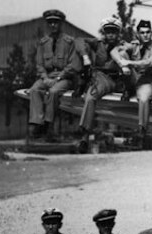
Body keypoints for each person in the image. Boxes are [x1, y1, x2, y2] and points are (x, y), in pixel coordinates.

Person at [28, 10, 82, 139]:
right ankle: (37, 123)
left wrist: (57, 78)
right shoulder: (43, 42)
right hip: (47, 76)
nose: (53, 25)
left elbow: (72, 65)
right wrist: (45, 78)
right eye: (50, 22)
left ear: (61, 23)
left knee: (53, 92)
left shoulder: (70, 42)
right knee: (35, 89)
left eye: (56, 22)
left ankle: (48, 122)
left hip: (64, 78)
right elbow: (39, 64)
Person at [111, 19, 152, 139]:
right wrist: (122, 64)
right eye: (142, 33)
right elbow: (114, 51)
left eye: (147, 32)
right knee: (123, 53)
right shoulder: (134, 45)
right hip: (134, 78)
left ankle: (142, 128)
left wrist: (129, 62)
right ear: (138, 33)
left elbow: (149, 62)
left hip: (147, 80)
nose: (145, 35)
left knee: (144, 98)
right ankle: (128, 89)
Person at [78, 18, 126, 135]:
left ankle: (84, 131)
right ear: (104, 33)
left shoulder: (123, 46)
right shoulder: (98, 44)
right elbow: (79, 40)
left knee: (91, 97)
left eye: (113, 32)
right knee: (89, 97)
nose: (110, 35)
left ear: (118, 33)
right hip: (97, 76)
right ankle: (85, 134)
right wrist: (85, 56)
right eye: (108, 32)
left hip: (111, 79)